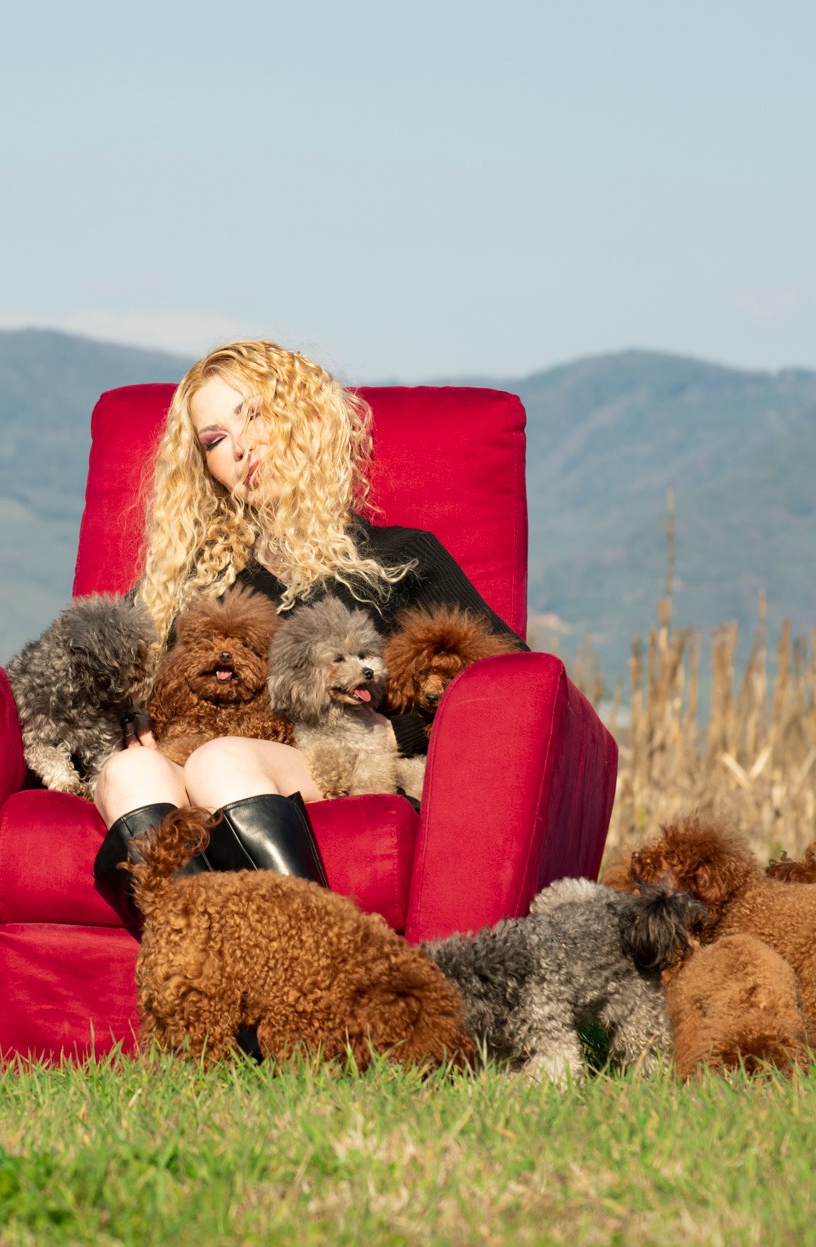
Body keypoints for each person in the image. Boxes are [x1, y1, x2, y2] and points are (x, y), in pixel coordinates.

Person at [91, 339, 525, 916]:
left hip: (326, 758)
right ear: (206, 469)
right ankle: (212, 973)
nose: (242, 447)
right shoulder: (189, 578)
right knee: (126, 771)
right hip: (193, 754)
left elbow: (509, 687)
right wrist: (129, 713)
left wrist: (397, 736)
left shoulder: (401, 556)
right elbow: (98, 664)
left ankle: (322, 959)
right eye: (216, 440)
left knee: (219, 759)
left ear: (306, 419)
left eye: (257, 415)